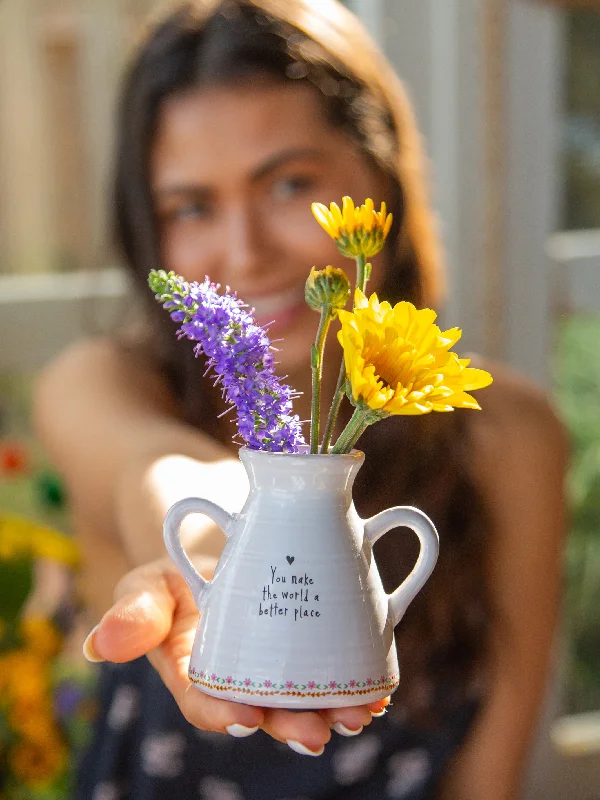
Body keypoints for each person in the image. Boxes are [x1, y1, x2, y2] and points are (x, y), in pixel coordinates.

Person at [33, 1, 568, 798]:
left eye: (289, 183)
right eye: (192, 206)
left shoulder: (508, 440)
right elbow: (154, 468)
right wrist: (225, 558)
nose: (246, 253)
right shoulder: (98, 381)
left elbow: (487, 783)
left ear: (380, 182)